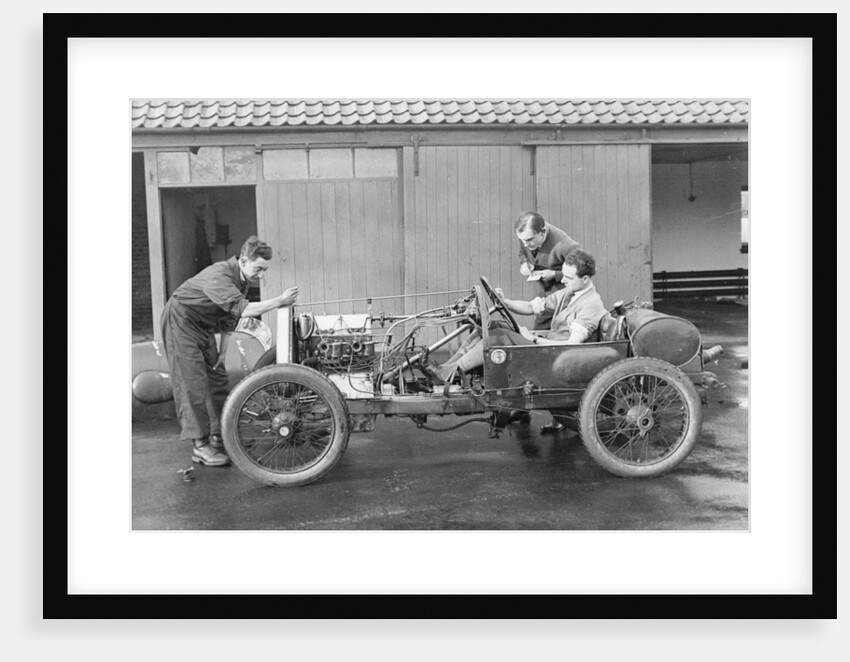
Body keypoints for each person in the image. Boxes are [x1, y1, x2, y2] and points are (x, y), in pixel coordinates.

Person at [424, 248, 606, 433]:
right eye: (564, 275)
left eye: (569, 277)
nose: (563, 280)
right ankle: (446, 369)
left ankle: (447, 374)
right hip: (548, 351)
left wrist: (533, 339)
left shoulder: (590, 304)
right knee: (490, 328)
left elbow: (571, 347)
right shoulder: (569, 292)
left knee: (497, 338)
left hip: (555, 359)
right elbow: (531, 306)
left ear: (585, 279)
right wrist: (505, 302)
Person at [160, 236, 299, 467]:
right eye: (258, 269)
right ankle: (200, 446)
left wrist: (223, 353)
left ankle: (221, 435)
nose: (261, 275)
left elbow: (229, 318)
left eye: (265, 270)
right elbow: (243, 311)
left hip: (202, 326)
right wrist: (279, 300)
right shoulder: (221, 275)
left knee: (218, 377)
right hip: (180, 322)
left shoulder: (241, 280)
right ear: (243, 261)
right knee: (191, 383)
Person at [515, 211, 580, 330]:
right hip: (545, 298)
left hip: (565, 298)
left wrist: (555, 274)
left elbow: (581, 272)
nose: (525, 244)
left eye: (529, 240)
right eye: (522, 241)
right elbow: (522, 253)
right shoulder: (525, 235)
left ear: (543, 232)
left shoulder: (565, 244)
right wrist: (524, 263)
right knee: (539, 332)